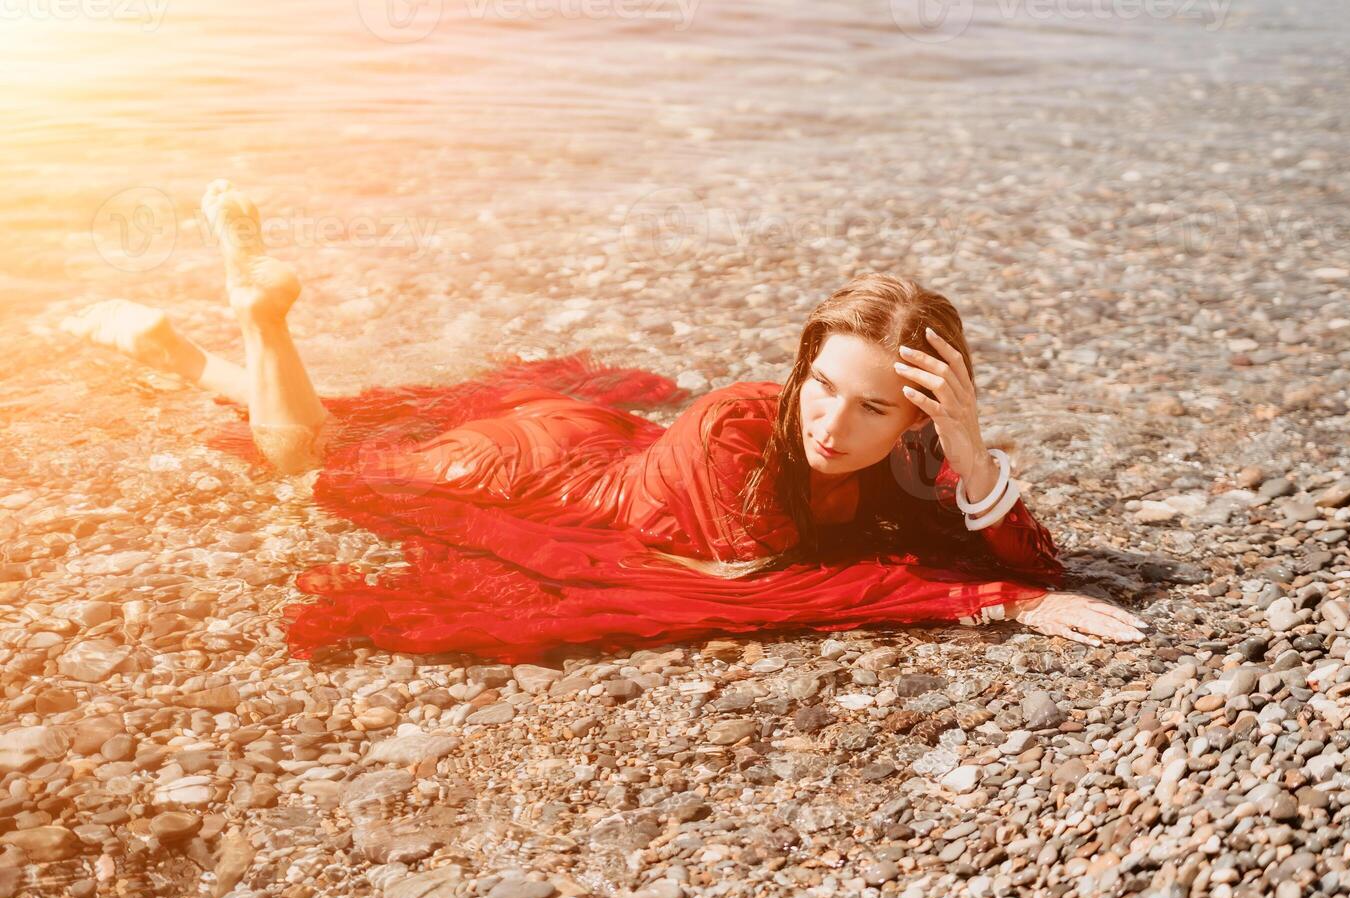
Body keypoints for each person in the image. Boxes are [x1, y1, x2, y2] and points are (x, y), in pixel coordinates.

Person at [63, 180, 1147, 664]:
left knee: (335, 434)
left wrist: (969, 455)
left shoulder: (921, 453)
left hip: (583, 441)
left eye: (875, 408)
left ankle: (182, 352)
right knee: (310, 464)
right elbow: (778, 585)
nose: (830, 423)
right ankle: (262, 318)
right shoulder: (737, 428)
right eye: (820, 384)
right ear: (799, 365)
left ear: (920, 409)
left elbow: (1027, 546)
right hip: (518, 474)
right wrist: (995, 595)